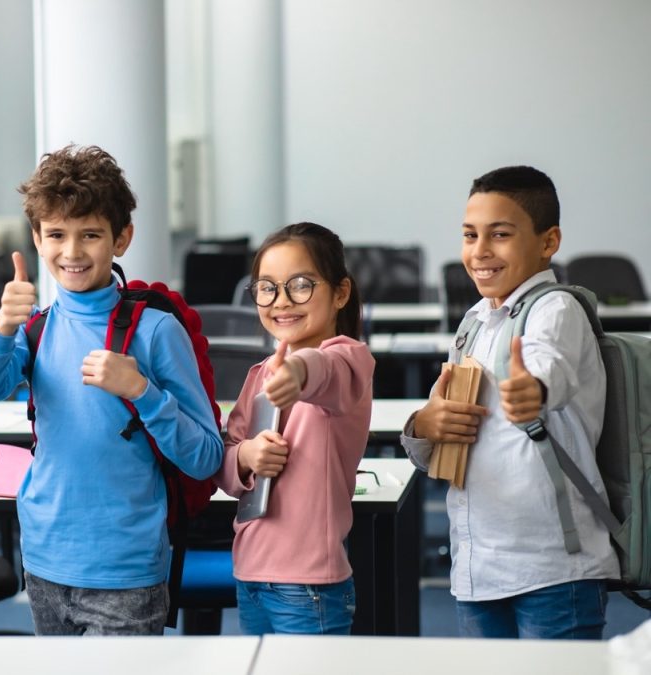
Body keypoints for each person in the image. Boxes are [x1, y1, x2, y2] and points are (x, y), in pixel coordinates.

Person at [0, 145, 223, 635]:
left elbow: (206, 456)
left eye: (91, 235)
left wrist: (142, 390)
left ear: (121, 238)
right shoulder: (33, 328)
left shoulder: (155, 331)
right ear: (37, 239)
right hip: (43, 557)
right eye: (57, 234)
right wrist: (1, 325)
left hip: (127, 569)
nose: (73, 252)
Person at [401, 165, 619, 639]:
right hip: (479, 565)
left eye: (499, 234)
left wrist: (532, 392)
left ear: (548, 241)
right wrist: (425, 424)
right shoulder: (475, 321)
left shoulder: (556, 309)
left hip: (554, 568)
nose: (479, 251)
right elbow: (443, 433)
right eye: (470, 235)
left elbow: (549, 366)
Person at [215, 222, 373, 635]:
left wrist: (299, 369)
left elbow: (323, 370)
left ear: (340, 292)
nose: (282, 301)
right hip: (251, 573)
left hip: (308, 585)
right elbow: (228, 456)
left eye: (300, 285)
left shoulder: (349, 359)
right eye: (267, 288)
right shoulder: (259, 373)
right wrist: (246, 456)